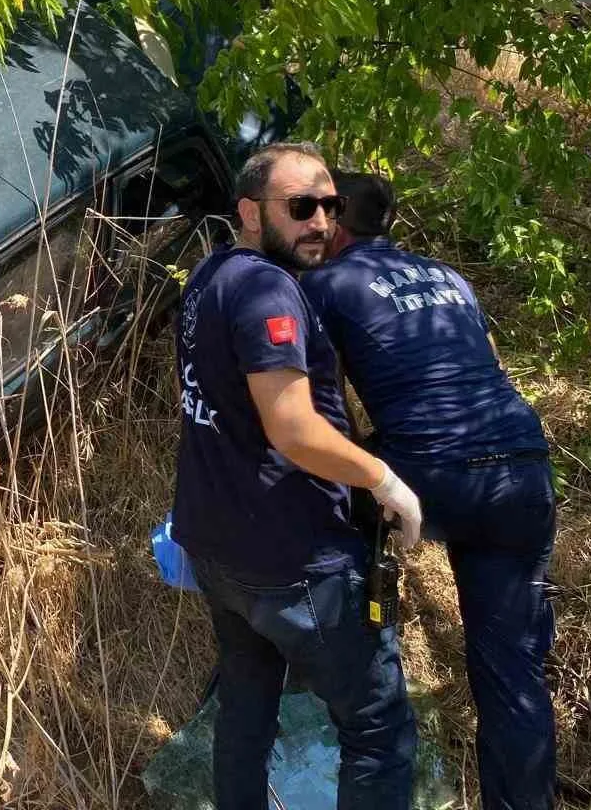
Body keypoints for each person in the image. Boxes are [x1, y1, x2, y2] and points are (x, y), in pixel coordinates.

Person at [173, 142, 420, 810]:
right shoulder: (266, 288)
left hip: (221, 549)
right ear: (251, 212)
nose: (321, 222)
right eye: (301, 206)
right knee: (378, 728)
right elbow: (293, 428)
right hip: (292, 557)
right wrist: (382, 480)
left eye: (330, 206)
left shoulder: (209, 278)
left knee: (247, 710)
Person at [302, 172, 556, 810]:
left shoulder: (326, 284)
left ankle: (363, 714)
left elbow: (322, 407)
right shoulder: (450, 277)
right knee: (514, 676)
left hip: (431, 467)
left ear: (336, 225)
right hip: (522, 465)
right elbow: (487, 359)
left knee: (350, 582)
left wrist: (365, 476)